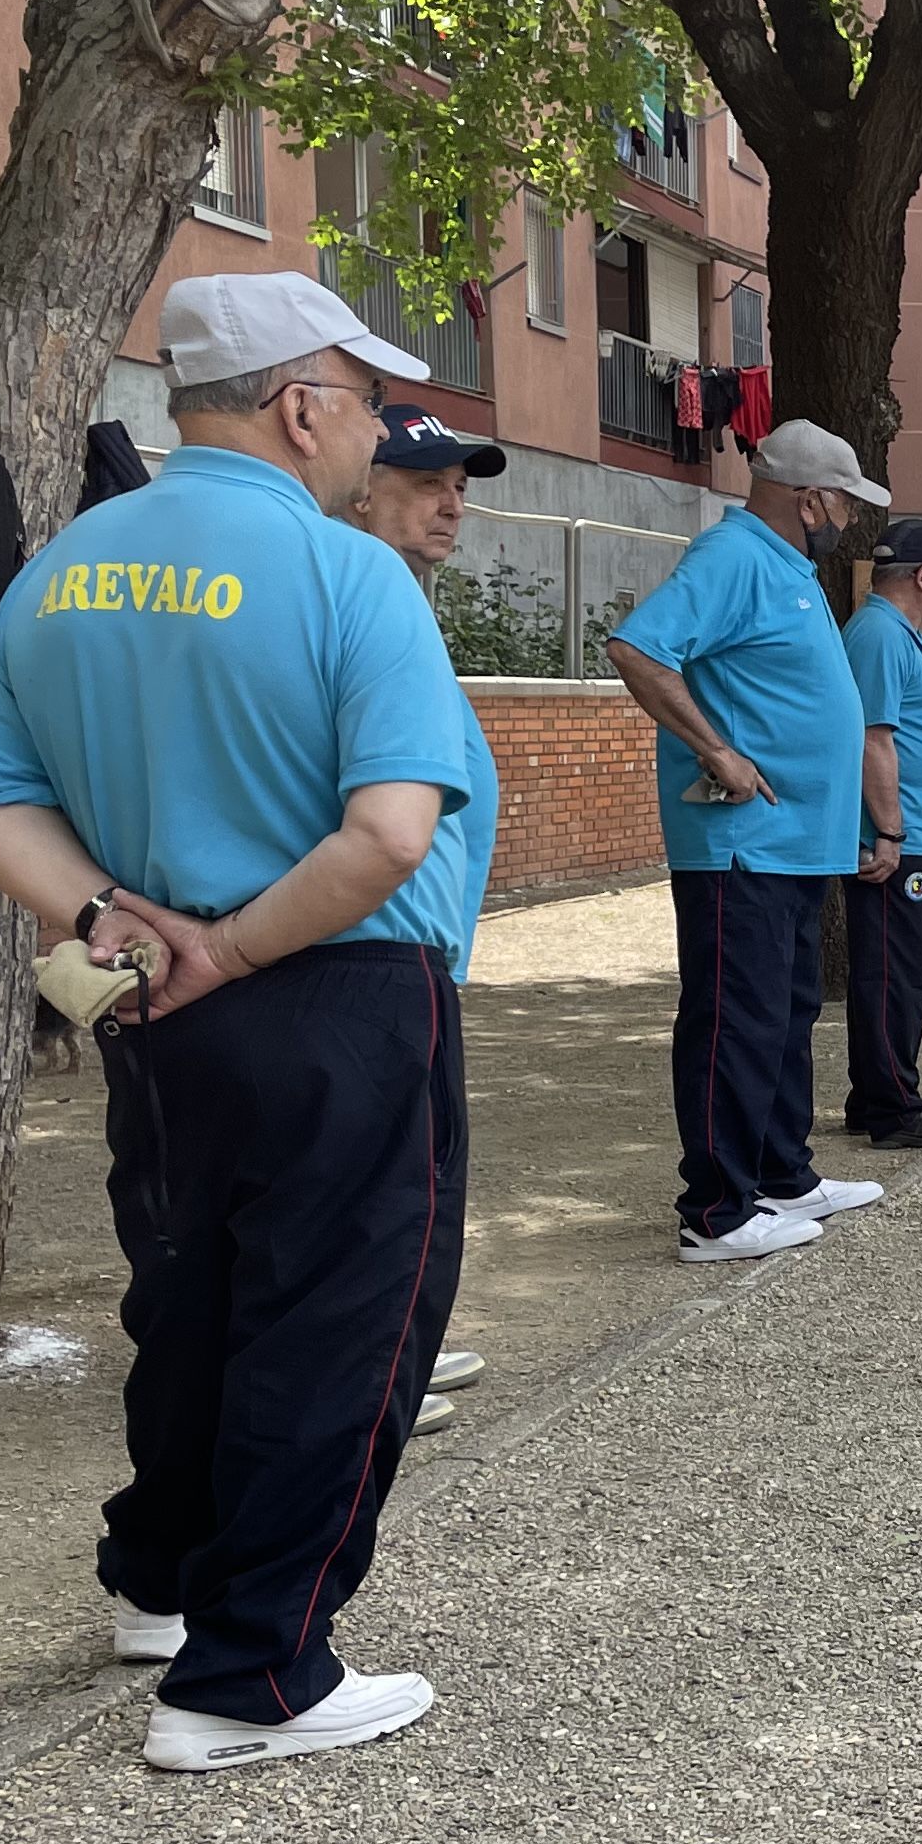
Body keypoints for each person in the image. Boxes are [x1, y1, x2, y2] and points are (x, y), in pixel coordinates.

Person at [0, 270, 480, 1773]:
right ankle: (257, 1674)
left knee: (191, 1302)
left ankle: (162, 1589)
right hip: (339, 993)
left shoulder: (63, 569)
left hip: (147, 1001)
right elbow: (387, 836)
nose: (377, 432)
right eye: (366, 402)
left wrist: (112, 921)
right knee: (343, 1323)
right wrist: (236, 944)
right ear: (300, 404)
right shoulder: (345, 574)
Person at [606, 417, 887, 1260]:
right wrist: (716, 749)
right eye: (845, 503)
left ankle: (779, 1173)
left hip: (793, 842)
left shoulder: (782, 566)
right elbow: (638, 648)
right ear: (810, 501)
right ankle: (715, 1211)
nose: (851, 519)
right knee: (736, 1017)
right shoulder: (732, 558)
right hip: (743, 844)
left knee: (785, 1010)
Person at [353, 404, 514, 1427]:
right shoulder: (351, 599)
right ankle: (367, 1370)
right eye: (424, 484)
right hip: (372, 945)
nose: (451, 503)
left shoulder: (402, 600)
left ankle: (396, 1343)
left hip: (421, 946)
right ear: (354, 483)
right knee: (380, 1175)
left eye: (459, 486)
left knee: (416, 1170)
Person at [841, 519, 922, 1148]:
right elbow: (874, 737)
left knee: (900, 965)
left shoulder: (899, 635)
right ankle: (894, 1106)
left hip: (916, 833)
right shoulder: (878, 634)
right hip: (902, 837)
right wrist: (889, 831)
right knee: (896, 970)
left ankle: (874, 1095)